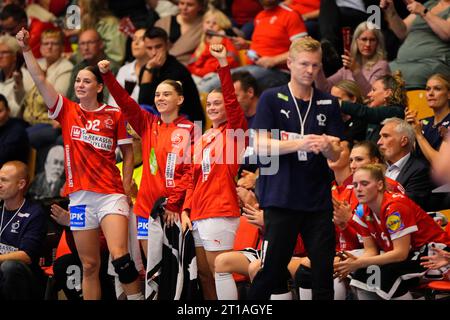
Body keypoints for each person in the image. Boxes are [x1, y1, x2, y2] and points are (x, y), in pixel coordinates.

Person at [16, 27, 143, 300]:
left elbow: (129, 153)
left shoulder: (114, 114)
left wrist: (124, 184)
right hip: (80, 197)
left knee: (121, 259)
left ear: (99, 86)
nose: (80, 85)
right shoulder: (67, 110)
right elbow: (39, 79)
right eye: (78, 81)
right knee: (89, 265)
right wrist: (27, 49)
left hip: (110, 194)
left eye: (87, 81)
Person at [249, 37, 344, 300]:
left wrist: (327, 147)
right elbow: (259, 145)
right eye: (304, 64)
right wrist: (300, 143)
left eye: (315, 65)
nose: (310, 71)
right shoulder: (271, 98)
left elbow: (339, 153)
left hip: (317, 201)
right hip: (281, 198)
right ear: (289, 63)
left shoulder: (328, 102)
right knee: (270, 272)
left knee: (323, 273)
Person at [98, 57, 195, 260]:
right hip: (145, 209)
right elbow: (125, 102)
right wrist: (107, 76)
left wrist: (174, 205)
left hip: (172, 210)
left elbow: (189, 172)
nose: (160, 98)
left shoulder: (189, 129)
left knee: (173, 271)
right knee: (153, 271)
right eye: (158, 94)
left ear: (180, 99)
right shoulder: (147, 124)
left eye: (166, 94)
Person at [181, 44, 248, 300]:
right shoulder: (204, 137)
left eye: (218, 103)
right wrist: (186, 209)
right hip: (198, 213)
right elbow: (192, 178)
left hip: (220, 210)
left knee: (220, 271)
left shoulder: (234, 133)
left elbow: (232, 101)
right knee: (205, 273)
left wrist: (222, 65)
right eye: (209, 103)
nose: (213, 107)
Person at [335, 164, 450, 300]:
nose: (358, 189)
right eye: (355, 185)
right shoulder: (362, 210)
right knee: (362, 273)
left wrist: (359, 263)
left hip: (432, 253)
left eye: (364, 184)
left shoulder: (395, 208)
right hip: (407, 253)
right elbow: (371, 250)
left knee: (387, 274)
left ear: (379, 185)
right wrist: (355, 262)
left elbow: (400, 254)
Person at [0, 161, 47, 300]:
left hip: (26, 279)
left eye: (4, 180)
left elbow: (26, 256)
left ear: (20, 184)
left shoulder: (34, 213)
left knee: (9, 267)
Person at [137, 27, 205, 124]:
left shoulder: (178, 71)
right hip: (164, 120)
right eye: (149, 48)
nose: (154, 52)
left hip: (191, 122)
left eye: (158, 46)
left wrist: (148, 69)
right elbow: (144, 104)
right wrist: (148, 69)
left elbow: (155, 104)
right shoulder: (146, 68)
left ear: (167, 45)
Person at [22, 29, 73, 151]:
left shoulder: (66, 67)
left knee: (19, 138)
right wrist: (18, 85)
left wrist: (41, 80)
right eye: (46, 43)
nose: (49, 47)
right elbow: (24, 97)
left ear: (61, 48)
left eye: (54, 44)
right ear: (40, 47)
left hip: (50, 123)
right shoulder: (36, 63)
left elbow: (55, 101)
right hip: (27, 120)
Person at [380, 0, 450, 89]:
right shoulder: (429, 4)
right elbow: (402, 31)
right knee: (381, 71)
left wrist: (424, 12)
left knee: (413, 75)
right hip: (402, 62)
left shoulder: (424, 9)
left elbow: (447, 33)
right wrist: (390, 11)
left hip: (431, 63)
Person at [315, 21, 391, 97]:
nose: (368, 44)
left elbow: (370, 95)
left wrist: (356, 71)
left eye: (372, 40)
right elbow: (325, 89)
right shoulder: (349, 67)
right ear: (356, 41)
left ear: (377, 43)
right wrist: (317, 64)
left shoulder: (382, 65)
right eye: (364, 39)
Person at [377, 117, 435, 210]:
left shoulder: (420, 170)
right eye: (380, 137)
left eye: (386, 136)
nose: (379, 142)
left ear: (403, 141)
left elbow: (406, 208)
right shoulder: (378, 168)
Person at [339, 72, 408, 142]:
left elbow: (367, 112)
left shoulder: (396, 111)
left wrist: (338, 103)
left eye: (374, 90)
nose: (369, 94)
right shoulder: (372, 115)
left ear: (387, 93)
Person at [188, 8, 240, 93]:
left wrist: (204, 71)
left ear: (221, 27)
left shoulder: (226, 41)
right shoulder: (202, 44)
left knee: (197, 90)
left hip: (216, 76)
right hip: (200, 76)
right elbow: (191, 65)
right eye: (207, 22)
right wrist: (199, 71)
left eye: (215, 23)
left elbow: (232, 61)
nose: (210, 25)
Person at [405, 73, 450, 165]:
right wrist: (407, 132)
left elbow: (441, 165)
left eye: (437, 89)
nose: (430, 93)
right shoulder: (423, 122)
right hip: (416, 176)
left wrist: (419, 135)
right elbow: (411, 155)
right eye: (428, 89)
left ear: (449, 94)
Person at [66, 29, 120, 102]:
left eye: (90, 43)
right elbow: (70, 99)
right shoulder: (78, 67)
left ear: (101, 44)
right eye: (82, 43)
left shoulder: (111, 68)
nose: (86, 48)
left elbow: (107, 102)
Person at [155, 0, 207, 65]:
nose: (184, 8)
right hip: (158, 65)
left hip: (189, 69)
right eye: (181, 3)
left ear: (200, 7)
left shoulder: (205, 26)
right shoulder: (163, 22)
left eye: (190, 5)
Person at [107, 28, 149, 107]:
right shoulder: (124, 70)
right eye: (134, 39)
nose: (136, 43)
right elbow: (113, 103)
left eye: (142, 39)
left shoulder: (157, 69)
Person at [0, 93, 29, 167]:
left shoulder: (17, 131)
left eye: (0, 111)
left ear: (8, 110)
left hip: (13, 176)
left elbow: (2, 156)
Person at [0, 33, 24, 118]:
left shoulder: (25, 76)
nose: (0, 56)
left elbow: (17, 108)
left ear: (15, 56)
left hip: (13, 122)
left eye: (4, 53)